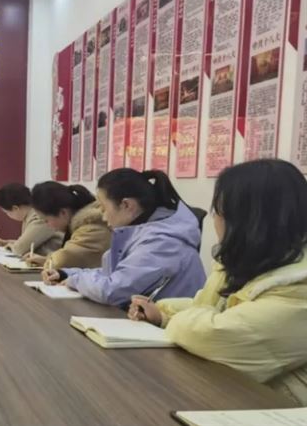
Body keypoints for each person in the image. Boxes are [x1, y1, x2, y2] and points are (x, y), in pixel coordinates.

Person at [128, 160, 307, 405]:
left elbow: (214, 335)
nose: (215, 221)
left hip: (277, 409)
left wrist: (181, 319)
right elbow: (208, 308)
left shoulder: (298, 287)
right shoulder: (246, 263)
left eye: (219, 212)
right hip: (238, 396)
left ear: (247, 221)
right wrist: (161, 313)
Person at [43, 169, 206, 307]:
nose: (103, 216)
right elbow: (114, 273)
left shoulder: (162, 242)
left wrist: (75, 280)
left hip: (165, 329)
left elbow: (112, 290)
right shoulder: (143, 231)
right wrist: (66, 274)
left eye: (104, 208)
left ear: (127, 205)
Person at [25, 182, 111, 269]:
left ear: (63, 213)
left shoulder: (92, 228)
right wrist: (46, 260)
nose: (47, 225)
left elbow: (63, 260)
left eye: (46, 220)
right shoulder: (85, 224)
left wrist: (49, 261)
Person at [0, 183, 62, 256]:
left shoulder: (39, 217)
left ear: (15, 208)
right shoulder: (30, 215)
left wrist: (9, 246)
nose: (8, 216)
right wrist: (5, 243)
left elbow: (20, 249)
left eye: (7, 212)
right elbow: (27, 243)